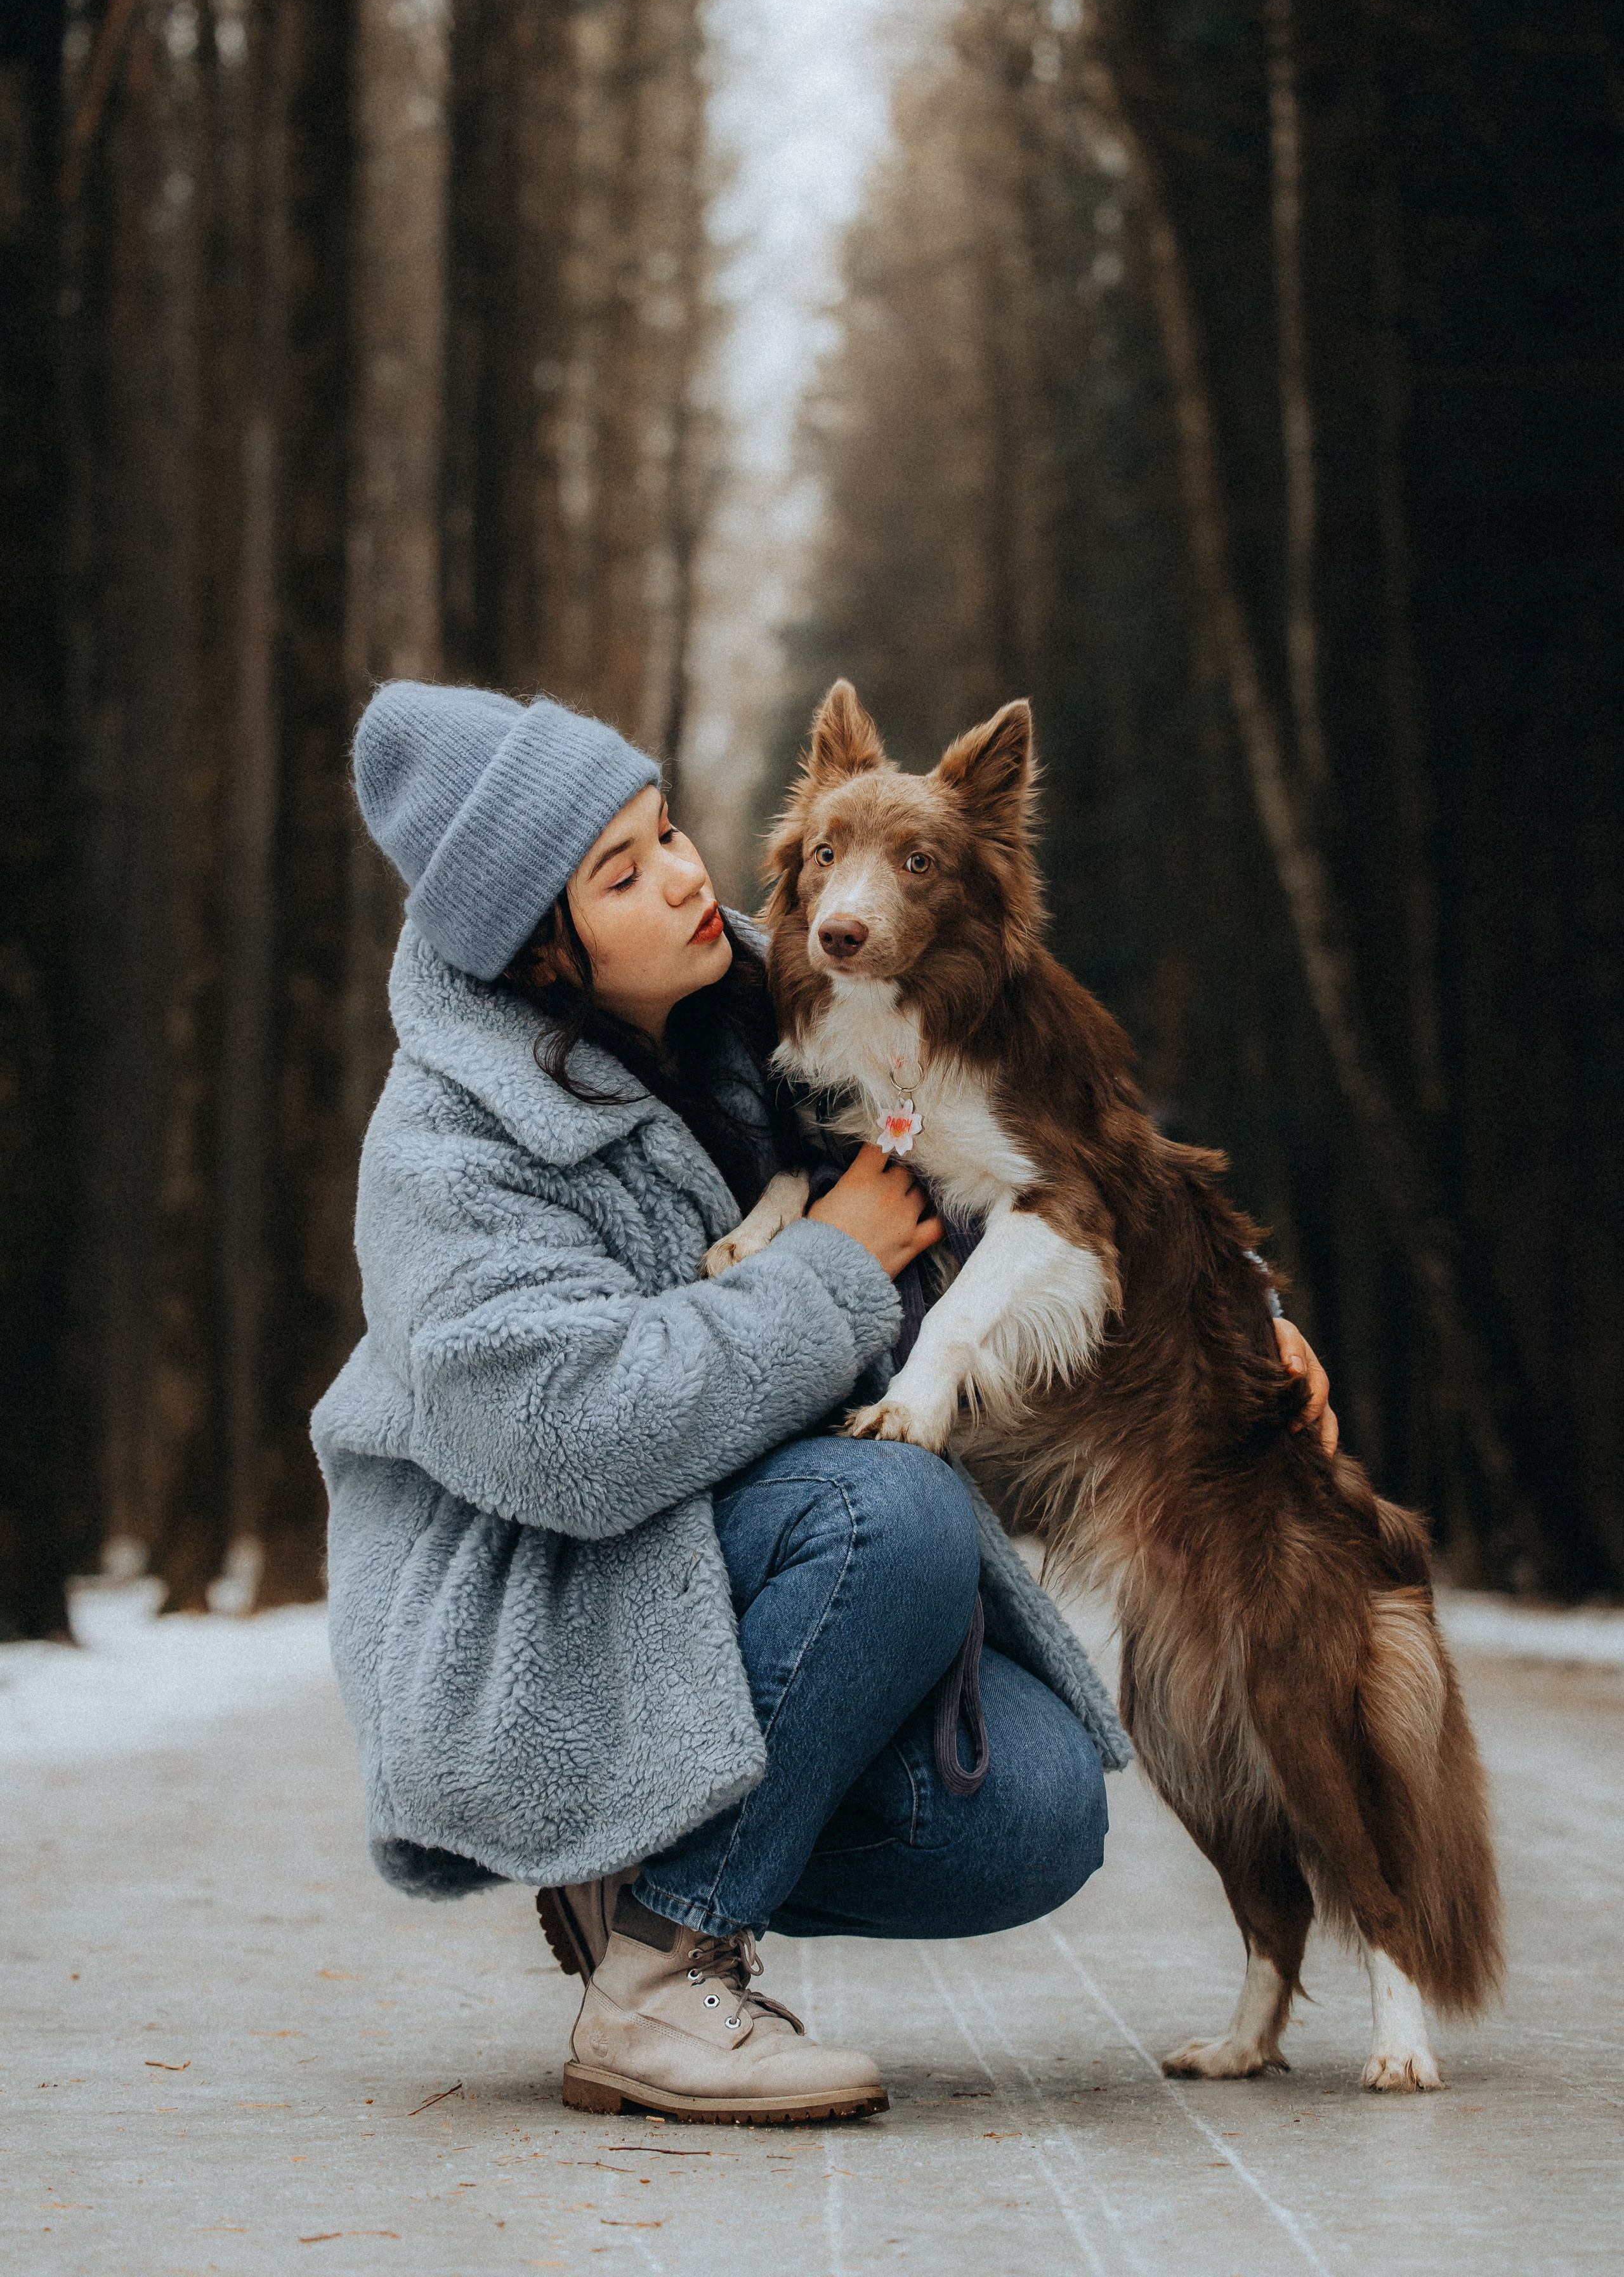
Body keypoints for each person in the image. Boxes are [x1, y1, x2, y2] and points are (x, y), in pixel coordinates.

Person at [313, 681, 1338, 2126]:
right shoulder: (443, 1147)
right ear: (538, 949)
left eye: (667, 831)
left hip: (719, 1549)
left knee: (1032, 1818)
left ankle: (640, 1858)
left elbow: (1055, 1128)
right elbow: (565, 1443)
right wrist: (831, 1272)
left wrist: (1248, 1307)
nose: (685, 876)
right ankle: (661, 1972)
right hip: (535, 1599)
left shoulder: (777, 975)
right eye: (622, 872)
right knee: (895, 1510)